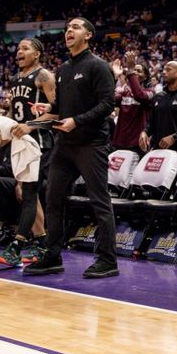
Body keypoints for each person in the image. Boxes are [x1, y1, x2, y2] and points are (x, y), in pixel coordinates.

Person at [24, 18, 119, 278]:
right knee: (52, 199)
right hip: (64, 146)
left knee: (100, 202)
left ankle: (108, 260)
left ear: (88, 35)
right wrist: (47, 110)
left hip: (91, 144)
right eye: (67, 28)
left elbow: (107, 104)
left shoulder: (98, 66)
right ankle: (53, 256)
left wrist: (77, 121)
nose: (69, 30)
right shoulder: (63, 69)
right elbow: (59, 109)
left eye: (75, 27)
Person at [0, 38, 55, 266]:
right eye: (18, 49)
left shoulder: (44, 75)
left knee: (28, 194)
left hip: (39, 142)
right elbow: (15, 114)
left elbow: (57, 110)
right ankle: (41, 243)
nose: (19, 52)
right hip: (21, 143)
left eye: (25, 48)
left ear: (37, 54)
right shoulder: (15, 78)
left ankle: (17, 245)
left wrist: (31, 125)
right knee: (27, 194)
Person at [139, 61, 177, 154]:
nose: (164, 72)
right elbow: (151, 122)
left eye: (168, 70)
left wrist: (175, 137)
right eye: (164, 69)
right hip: (158, 151)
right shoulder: (158, 97)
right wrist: (144, 132)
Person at [112, 51, 154, 153]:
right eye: (134, 70)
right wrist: (114, 78)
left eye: (139, 71)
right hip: (120, 142)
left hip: (138, 143)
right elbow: (108, 99)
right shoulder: (123, 92)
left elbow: (139, 95)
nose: (135, 73)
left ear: (146, 76)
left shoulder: (151, 92)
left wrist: (130, 70)